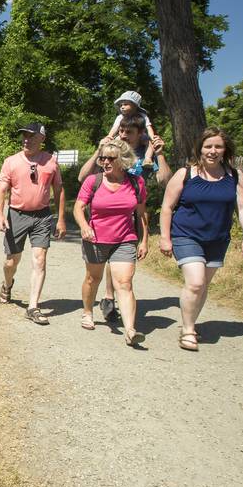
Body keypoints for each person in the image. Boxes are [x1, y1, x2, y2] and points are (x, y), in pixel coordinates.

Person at [158, 127, 243, 351]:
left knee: (203, 286)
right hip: (186, 235)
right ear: (200, 148)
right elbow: (167, 207)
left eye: (218, 146)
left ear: (225, 149)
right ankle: (188, 330)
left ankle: (189, 322)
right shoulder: (186, 174)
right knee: (196, 282)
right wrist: (165, 237)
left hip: (217, 239)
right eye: (208, 146)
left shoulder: (234, 176)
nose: (213, 151)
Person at [79, 113, 171, 322]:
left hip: (132, 214)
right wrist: (99, 151)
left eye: (128, 132)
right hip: (104, 217)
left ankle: (117, 304)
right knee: (100, 270)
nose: (122, 135)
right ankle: (108, 297)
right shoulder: (108, 153)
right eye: (120, 130)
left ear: (140, 134)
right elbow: (83, 177)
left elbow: (165, 181)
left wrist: (160, 155)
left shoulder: (146, 154)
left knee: (123, 269)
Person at [75, 140, 148, 346]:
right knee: (93, 278)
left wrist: (144, 240)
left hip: (125, 239)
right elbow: (79, 208)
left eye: (110, 158)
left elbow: (141, 213)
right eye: (102, 158)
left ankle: (130, 329)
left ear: (122, 160)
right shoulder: (93, 181)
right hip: (96, 238)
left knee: (124, 283)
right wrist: (84, 226)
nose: (105, 161)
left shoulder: (136, 183)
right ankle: (88, 312)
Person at [0, 122, 67, 324]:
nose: (27, 140)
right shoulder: (11, 162)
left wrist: (61, 219)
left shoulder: (51, 162)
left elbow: (59, 191)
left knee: (40, 259)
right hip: (17, 215)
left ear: (42, 139)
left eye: (32, 136)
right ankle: (7, 285)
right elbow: (1, 190)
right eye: (24, 136)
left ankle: (33, 306)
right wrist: (0, 215)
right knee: (11, 261)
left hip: (42, 216)